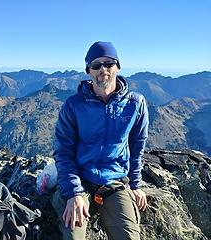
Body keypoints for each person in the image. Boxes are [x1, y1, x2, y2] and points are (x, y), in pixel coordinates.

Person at [52, 41, 149, 240]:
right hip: (81, 179)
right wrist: (73, 193)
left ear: (118, 67)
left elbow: (137, 147)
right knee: (73, 237)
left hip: (114, 181)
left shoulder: (135, 104)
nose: (103, 69)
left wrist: (136, 185)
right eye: (96, 65)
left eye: (109, 63)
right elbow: (63, 152)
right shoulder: (73, 106)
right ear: (88, 71)